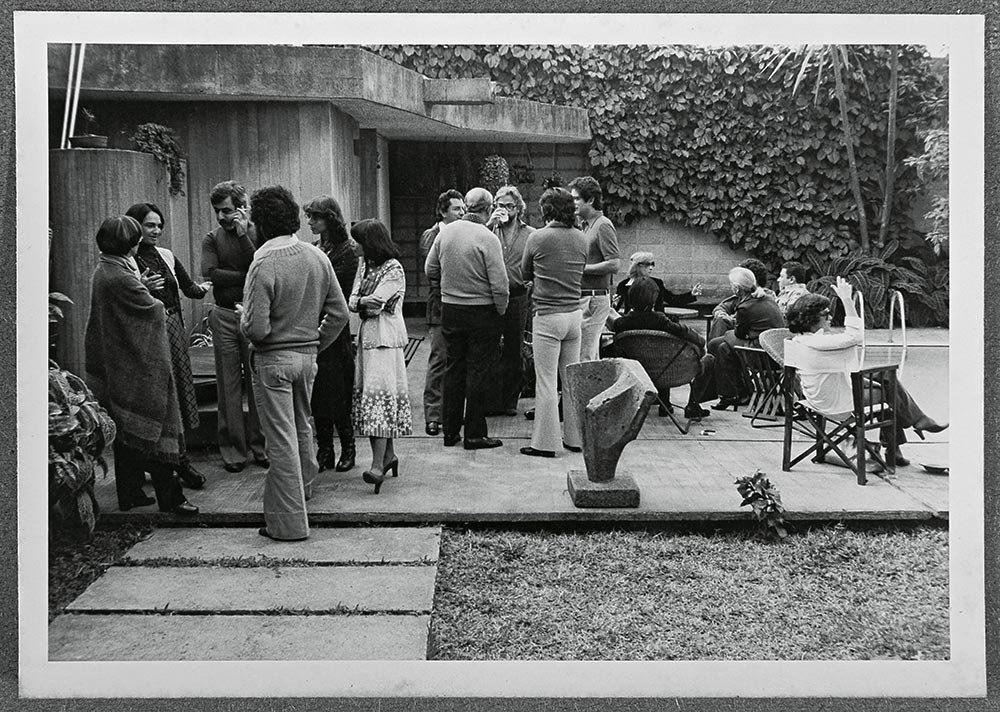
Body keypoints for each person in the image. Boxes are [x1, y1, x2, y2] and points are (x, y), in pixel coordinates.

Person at [240, 185, 349, 542]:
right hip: (308, 357)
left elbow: (257, 328)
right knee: (302, 427)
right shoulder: (317, 256)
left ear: (259, 223)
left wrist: (244, 320)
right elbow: (340, 313)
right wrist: (316, 342)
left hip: (273, 361)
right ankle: (302, 493)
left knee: (280, 439)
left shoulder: (263, 261)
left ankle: (287, 523)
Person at [84, 215, 198, 515]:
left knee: (127, 432)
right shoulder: (120, 276)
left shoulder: (105, 268)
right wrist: (148, 291)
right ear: (130, 245)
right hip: (137, 366)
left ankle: (130, 493)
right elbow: (153, 310)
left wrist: (140, 285)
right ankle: (172, 500)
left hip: (118, 365)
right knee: (158, 427)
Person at [786, 277, 947, 466]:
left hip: (819, 397)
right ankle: (909, 431)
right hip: (836, 405)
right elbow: (856, 335)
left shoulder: (800, 341)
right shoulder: (821, 343)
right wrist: (847, 299)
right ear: (812, 318)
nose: (830, 317)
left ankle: (903, 440)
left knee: (885, 380)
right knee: (889, 389)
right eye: (826, 314)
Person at [125, 202, 211, 490]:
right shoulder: (127, 261)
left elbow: (190, 289)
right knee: (159, 398)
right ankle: (168, 463)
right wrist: (141, 287)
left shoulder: (166, 255)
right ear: (134, 225)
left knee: (178, 396)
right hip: (147, 334)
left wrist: (209, 286)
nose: (156, 230)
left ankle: (178, 460)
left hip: (172, 328)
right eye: (150, 225)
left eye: (159, 225)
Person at [425, 187, 509, 450]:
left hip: (451, 309)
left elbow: (430, 268)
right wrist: (501, 310)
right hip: (481, 310)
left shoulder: (445, 232)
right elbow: (500, 285)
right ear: (487, 208)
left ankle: (450, 431)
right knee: (478, 371)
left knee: (454, 368)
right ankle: (474, 433)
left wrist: (445, 289)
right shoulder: (487, 237)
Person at [201, 180, 268, 473]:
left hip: (253, 315)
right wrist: (246, 275)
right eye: (217, 211)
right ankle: (233, 451)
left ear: (242, 208)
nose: (221, 217)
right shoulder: (211, 239)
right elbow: (211, 273)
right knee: (227, 386)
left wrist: (243, 236)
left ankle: (260, 446)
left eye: (227, 210)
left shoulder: (259, 233)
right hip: (225, 315)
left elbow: (262, 265)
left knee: (257, 384)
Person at [518, 188, 587, 458]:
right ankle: (575, 438)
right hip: (573, 315)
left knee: (546, 382)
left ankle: (545, 443)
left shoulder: (538, 237)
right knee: (570, 380)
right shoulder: (581, 238)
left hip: (547, 315)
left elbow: (524, 272)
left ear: (546, 210)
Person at [348, 219, 413, 493]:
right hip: (368, 340)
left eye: (357, 240)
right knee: (374, 398)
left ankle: (377, 465)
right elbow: (353, 300)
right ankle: (389, 456)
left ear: (370, 242)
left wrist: (362, 302)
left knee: (379, 400)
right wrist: (363, 302)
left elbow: (377, 304)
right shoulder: (365, 265)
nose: (353, 245)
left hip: (386, 342)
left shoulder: (393, 268)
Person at [304, 195, 363, 473]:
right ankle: (325, 448)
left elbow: (336, 291)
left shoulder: (347, 251)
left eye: (316, 217)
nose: (311, 222)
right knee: (318, 395)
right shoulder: (317, 248)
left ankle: (348, 448)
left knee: (338, 392)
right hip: (313, 326)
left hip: (335, 330)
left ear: (330, 218)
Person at [611, 277, 714, 420]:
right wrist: (700, 343)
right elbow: (694, 337)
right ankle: (691, 405)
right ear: (654, 299)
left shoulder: (621, 324)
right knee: (706, 359)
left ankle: (663, 403)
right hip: (666, 373)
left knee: (654, 355)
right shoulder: (662, 321)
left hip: (638, 373)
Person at [418, 189, 465, 436]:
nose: (462, 212)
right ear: (443, 211)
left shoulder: (463, 233)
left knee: (456, 361)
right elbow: (434, 271)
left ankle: (451, 413)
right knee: (439, 359)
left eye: (463, 208)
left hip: (459, 305)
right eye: (456, 208)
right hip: (439, 306)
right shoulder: (432, 235)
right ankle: (433, 415)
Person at [485, 186, 535, 417]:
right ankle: (491, 400)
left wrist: (533, 282)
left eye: (509, 206)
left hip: (517, 294)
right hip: (490, 295)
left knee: (514, 348)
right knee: (490, 346)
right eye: (500, 205)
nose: (504, 210)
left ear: (518, 208)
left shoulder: (530, 233)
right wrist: (488, 225)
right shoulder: (488, 230)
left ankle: (509, 401)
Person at [708, 266, 785, 411]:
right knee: (723, 348)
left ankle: (732, 394)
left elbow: (739, 334)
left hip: (764, 354)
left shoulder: (745, 306)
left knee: (718, 346)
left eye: (731, 285)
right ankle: (733, 394)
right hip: (775, 350)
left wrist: (728, 333)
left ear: (737, 289)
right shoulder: (767, 298)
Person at [568, 176, 620, 361]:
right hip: (584, 297)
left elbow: (614, 263)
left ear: (590, 200)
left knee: (585, 356)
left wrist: (581, 269)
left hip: (594, 298)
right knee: (586, 355)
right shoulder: (585, 225)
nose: (572, 203)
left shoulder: (603, 225)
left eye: (576, 199)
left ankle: (586, 390)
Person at [613, 251, 702, 315]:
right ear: (638, 266)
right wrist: (613, 304)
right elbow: (615, 308)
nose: (651, 268)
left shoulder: (657, 283)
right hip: (633, 322)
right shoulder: (623, 285)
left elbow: (672, 299)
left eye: (653, 264)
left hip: (656, 322)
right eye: (648, 264)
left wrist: (691, 294)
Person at [709, 257, 772, 341]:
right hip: (741, 330)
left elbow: (746, 324)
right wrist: (721, 314)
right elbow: (722, 307)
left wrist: (731, 320)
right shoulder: (741, 295)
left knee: (718, 340)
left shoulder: (765, 296)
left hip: (754, 336)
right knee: (720, 320)